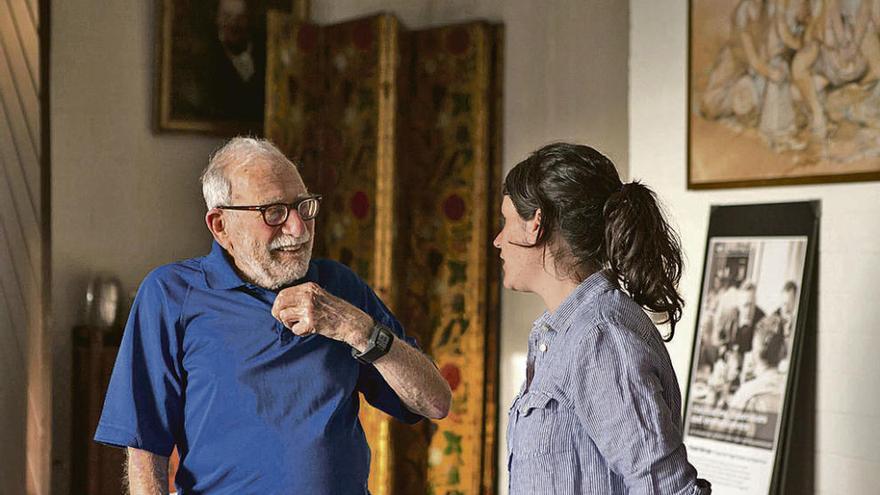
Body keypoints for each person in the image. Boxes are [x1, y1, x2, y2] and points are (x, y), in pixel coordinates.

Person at [94, 137, 452, 494]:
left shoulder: (339, 287)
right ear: (220, 225)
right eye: (274, 212)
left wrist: (357, 328)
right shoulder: (170, 294)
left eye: (304, 207)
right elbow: (144, 447)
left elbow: (434, 401)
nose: (298, 228)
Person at [496, 143, 711, 494]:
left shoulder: (600, 337)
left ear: (536, 224)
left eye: (506, 222)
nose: (498, 240)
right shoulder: (561, 332)